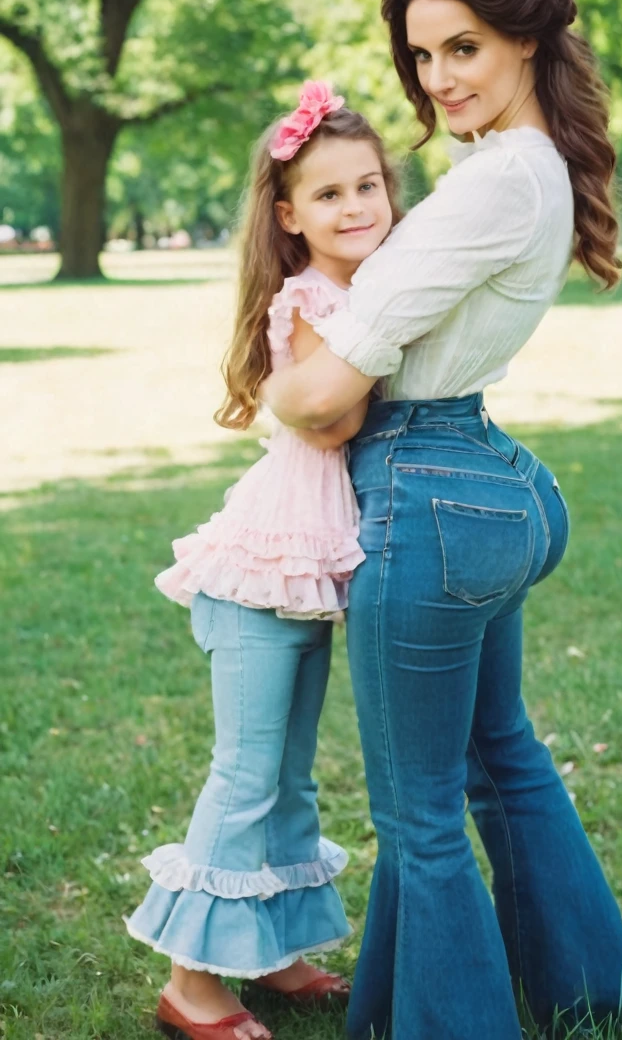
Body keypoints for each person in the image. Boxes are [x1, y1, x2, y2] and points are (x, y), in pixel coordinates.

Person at [259, 0, 622, 1039]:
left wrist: (272, 381)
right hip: (479, 476)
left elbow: (330, 384)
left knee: (420, 811)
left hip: (431, 490)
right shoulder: (510, 168)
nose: (439, 79)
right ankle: (590, 996)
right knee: (501, 757)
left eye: (464, 46)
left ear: (523, 36)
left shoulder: (495, 185)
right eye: (422, 56)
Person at [125, 82, 401, 1040]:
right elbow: (334, 421)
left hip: (308, 565)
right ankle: (191, 984)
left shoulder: (364, 293)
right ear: (289, 217)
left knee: (292, 776)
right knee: (246, 776)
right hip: (263, 569)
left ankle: (272, 951)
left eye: (369, 185)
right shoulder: (317, 300)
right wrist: (389, 336)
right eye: (329, 194)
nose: (357, 206)